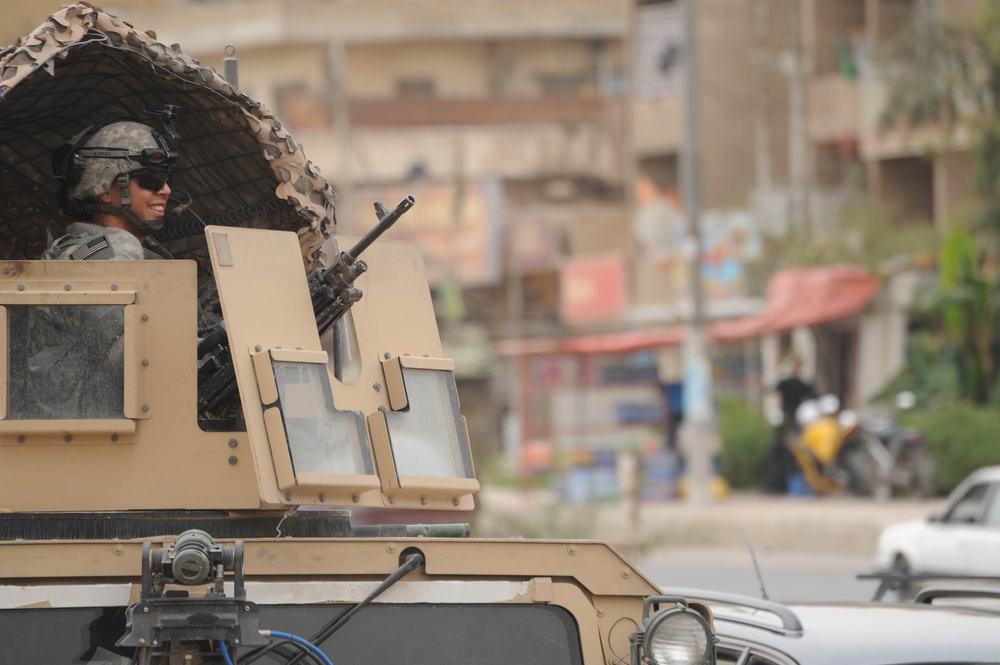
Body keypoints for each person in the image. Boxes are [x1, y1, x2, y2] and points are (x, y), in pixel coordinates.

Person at [44, 118, 178, 260]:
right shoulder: (118, 250)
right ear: (104, 190)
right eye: (151, 181)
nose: (166, 190)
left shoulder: (100, 249)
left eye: (166, 179)